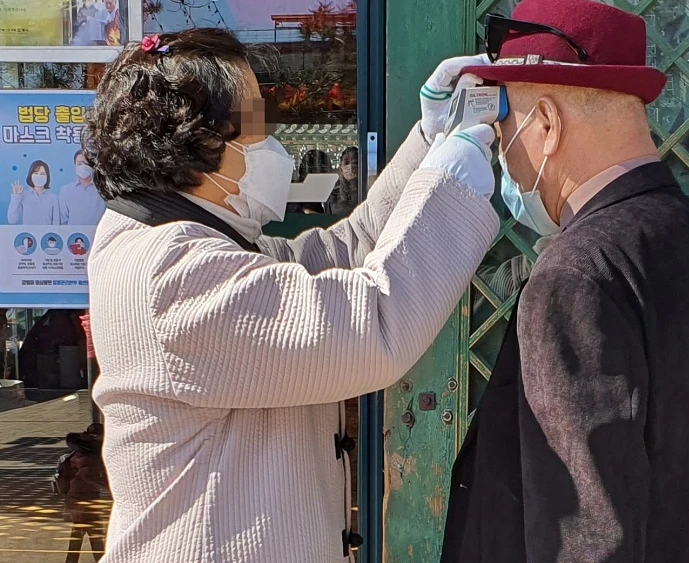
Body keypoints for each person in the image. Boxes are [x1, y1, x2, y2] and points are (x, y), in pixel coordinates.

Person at [83, 29, 497, 562]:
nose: (272, 141)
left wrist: (429, 141)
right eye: (255, 122)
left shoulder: (183, 241)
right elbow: (370, 325)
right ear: (203, 142)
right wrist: (450, 185)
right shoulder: (176, 274)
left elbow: (346, 248)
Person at [440, 2, 689, 563]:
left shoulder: (576, 276)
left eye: (503, 129)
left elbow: (584, 538)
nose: (504, 154)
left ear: (548, 125)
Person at [54, 423, 108, 563]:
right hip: (84, 500)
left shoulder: (79, 452)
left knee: (80, 534)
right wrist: (110, 487)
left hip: (76, 499)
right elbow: (89, 476)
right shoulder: (87, 457)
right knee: (93, 533)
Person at [60, 150, 106, 225]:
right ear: (75, 166)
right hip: (73, 235)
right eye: (80, 164)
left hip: (99, 234)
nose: (83, 167)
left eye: (86, 163)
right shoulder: (66, 191)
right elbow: (63, 220)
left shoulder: (103, 189)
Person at [9, 160, 60, 225]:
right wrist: (16, 197)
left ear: (47, 177)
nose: (39, 176)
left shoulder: (53, 198)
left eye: (42, 174)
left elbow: (56, 223)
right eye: (36, 173)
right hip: (28, 234)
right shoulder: (23, 195)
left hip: (47, 234)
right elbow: (12, 220)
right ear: (31, 175)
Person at [325, 146, 359, 215]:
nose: (351, 166)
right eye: (346, 163)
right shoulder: (334, 193)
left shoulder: (367, 189)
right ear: (341, 166)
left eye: (355, 162)